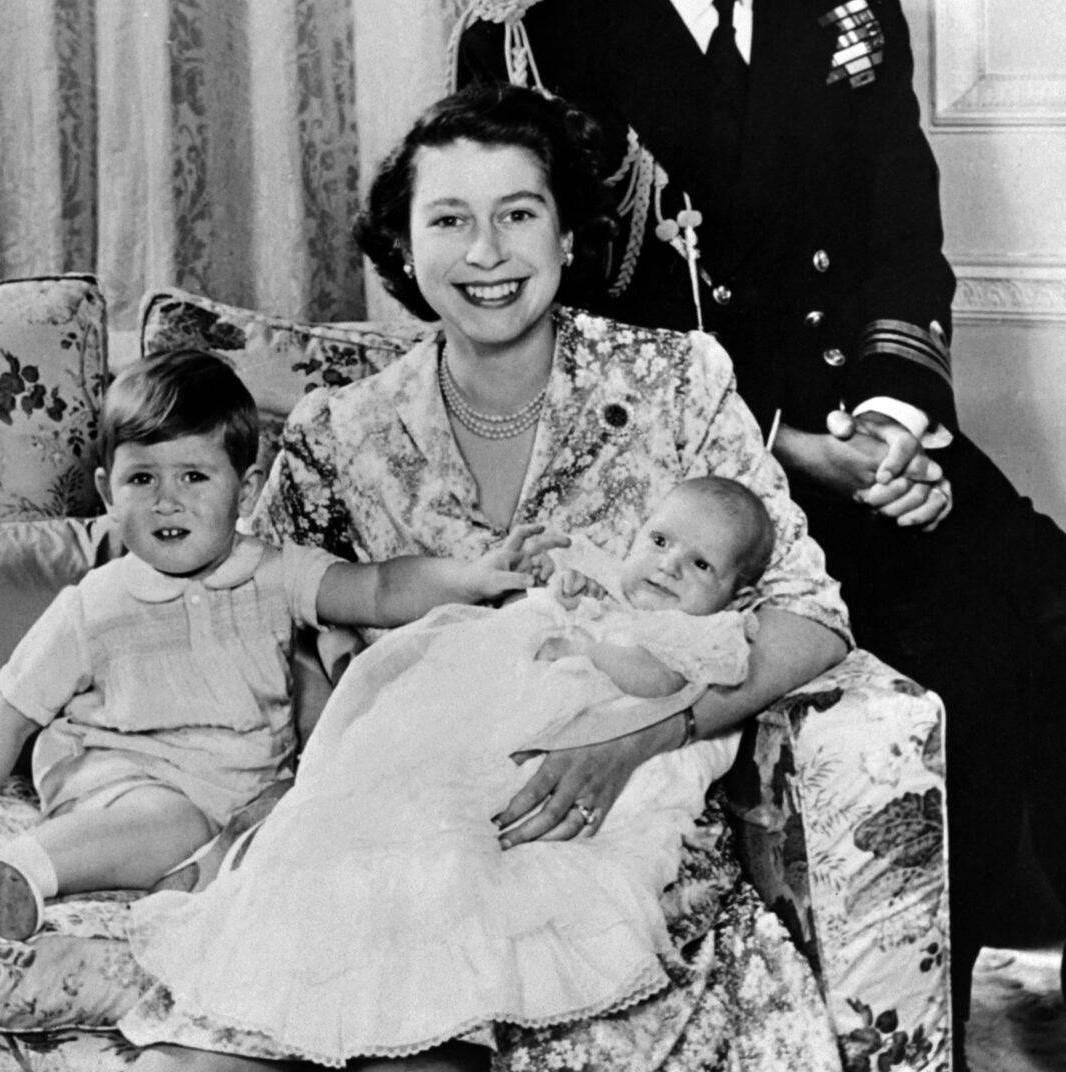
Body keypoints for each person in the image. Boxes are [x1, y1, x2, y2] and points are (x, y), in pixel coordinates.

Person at [456, 0, 1066, 1072]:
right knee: (959, 677)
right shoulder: (535, 36)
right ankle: (914, 1047)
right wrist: (793, 445)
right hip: (699, 494)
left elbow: (904, 247)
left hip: (875, 446)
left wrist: (899, 426)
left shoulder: (845, 7)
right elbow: (563, 328)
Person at [122, 81, 850, 1072]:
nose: (487, 254)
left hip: (598, 869)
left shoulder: (679, 381)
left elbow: (811, 617)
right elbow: (254, 618)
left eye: (518, 215)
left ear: (566, 236)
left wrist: (639, 736)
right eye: (449, 221)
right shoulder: (345, 433)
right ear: (405, 248)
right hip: (388, 846)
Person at [121, 476, 782, 1063]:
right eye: (659, 541)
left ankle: (416, 967)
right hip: (498, 734)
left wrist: (592, 644)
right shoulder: (609, 597)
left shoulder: (704, 637)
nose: (668, 567)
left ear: (737, 593)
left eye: (698, 564)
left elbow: (658, 678)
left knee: (471, 860)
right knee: (400, 794)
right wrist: (568, 602)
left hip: (581, 768)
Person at [0, 348, 540, 941]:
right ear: (106, 492)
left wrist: (472, 576)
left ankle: (194, 876)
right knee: (170, 821)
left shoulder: (277, 572)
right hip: (123, 775)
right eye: (142, 480)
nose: (167, 501)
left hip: (244, 789)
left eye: (193, 476)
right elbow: (8, 716)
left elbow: (378, 589)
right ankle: (15, 871)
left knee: (326, 828)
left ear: (247, 481)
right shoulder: (94, 606)